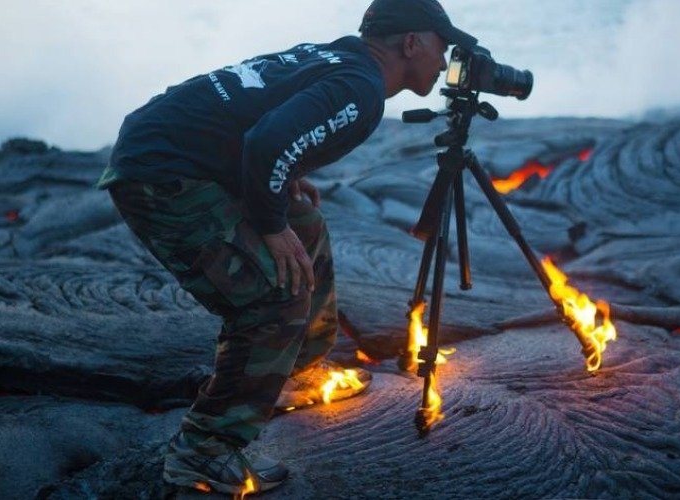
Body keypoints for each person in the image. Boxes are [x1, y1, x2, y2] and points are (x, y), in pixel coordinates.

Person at [96, 0, 476, 495]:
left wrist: (286, 182)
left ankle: (297, 370)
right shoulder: (361, 90)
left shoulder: (337, 57)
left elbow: (263, 117)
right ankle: (204, 452)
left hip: (173, 148)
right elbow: (267, 140)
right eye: (441, 45)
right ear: (411, 43)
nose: (445, 57)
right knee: (271, 296)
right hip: (163, 175)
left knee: (306, 224)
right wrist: (270, 224)